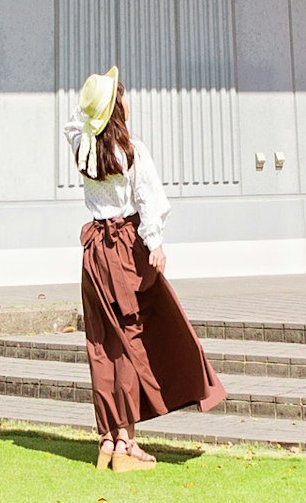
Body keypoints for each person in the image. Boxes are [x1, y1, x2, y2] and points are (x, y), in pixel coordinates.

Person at [71, 67, 225, 470]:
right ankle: (126, 443)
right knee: (128, 344)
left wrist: (95, 114)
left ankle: (107, 438)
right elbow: (148, 200)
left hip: (94, 256)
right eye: (121, 96)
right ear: (117, 108)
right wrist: (154, 243)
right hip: (125, 249)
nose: (128, 100)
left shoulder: (83, 147)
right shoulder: (131, 150)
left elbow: (76, 122)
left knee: (102, 343)